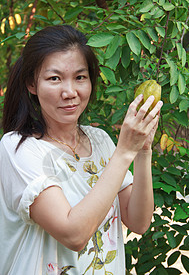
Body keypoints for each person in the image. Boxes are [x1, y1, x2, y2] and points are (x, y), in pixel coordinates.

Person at [0, 25, 163, 275]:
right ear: (32, 84)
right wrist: (124, 153)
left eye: (80, 77)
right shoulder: (18, 148)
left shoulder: (100, 140)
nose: (70, 92)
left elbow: (138, 222)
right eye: (54, 78)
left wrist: (142, 151)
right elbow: (73, 234)